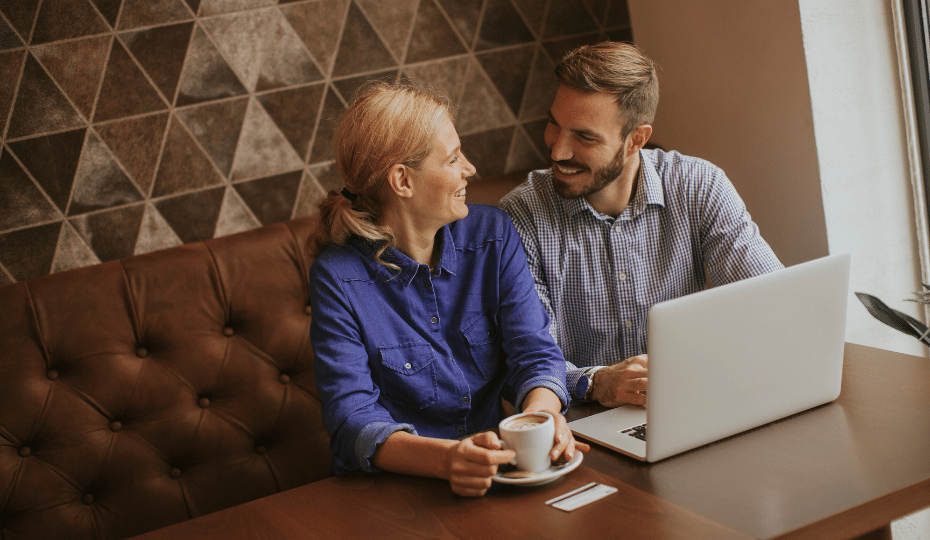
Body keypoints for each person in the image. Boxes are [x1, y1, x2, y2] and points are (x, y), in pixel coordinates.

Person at [307, 82, 587, 497]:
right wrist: (446, 459)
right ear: (403, 180)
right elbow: (352, 420)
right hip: (394, 494)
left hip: (495, 477)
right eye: (453, 158)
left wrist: (543, 420)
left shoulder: (493, 235)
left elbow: (535, 353)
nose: (469, 169)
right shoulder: (337, 278)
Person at [500, 42, 784, 408]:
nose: (557, 150)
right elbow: (525, 360)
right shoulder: (520, 216)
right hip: (587, 424)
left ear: (636, 139)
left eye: (584, 137)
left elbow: (771, 304)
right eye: (554, 124)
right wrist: (594, 382)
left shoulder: (700, 185)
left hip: (694, 401)